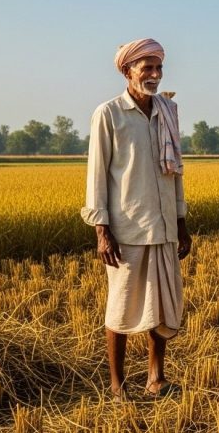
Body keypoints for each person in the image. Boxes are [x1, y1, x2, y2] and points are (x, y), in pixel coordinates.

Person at [81, 38, 192, 402]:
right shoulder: (108, 114)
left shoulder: (168, 111)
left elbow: (175, 171)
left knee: (161, 306)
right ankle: (117, 384)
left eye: (158, 68)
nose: (155, 75)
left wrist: (182, 222)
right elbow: (97, 175)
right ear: (128, 71)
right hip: (127, 229)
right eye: (147, 68)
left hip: (163, 227)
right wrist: (102, 230)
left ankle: (156, 378)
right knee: (122, 306)